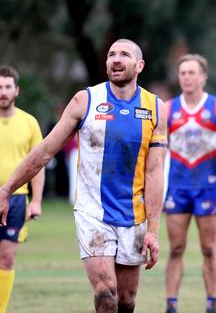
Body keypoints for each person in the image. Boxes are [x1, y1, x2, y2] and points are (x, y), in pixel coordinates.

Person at [0, 39, 167, 313]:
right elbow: (44, 151)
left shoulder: (156, 108)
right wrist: (6, 190)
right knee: (107, 295)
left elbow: (154, 171)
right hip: (93, 211)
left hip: (134, 214)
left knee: (126, 302)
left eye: (124, 54)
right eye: (111, 54)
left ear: (139, 65)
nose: (115, 59)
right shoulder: (85, 100)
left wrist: (153, 230)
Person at [163, 54, 216, 313]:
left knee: (208, 248)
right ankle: (171, 304)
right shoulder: (167, 109)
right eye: (182, 73)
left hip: (207, 187)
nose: (187, 77)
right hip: (177, 187)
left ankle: (211, 303)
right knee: (176, 248)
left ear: (204, 76)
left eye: (192, 72)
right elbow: (157, 152)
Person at [0, 65, 45, 313]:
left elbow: (38, 165)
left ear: (16, 90)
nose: (3, 92)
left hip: (16, 200)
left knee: (6, 258)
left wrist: (36, 200)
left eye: (7, 87)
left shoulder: (29, 123)